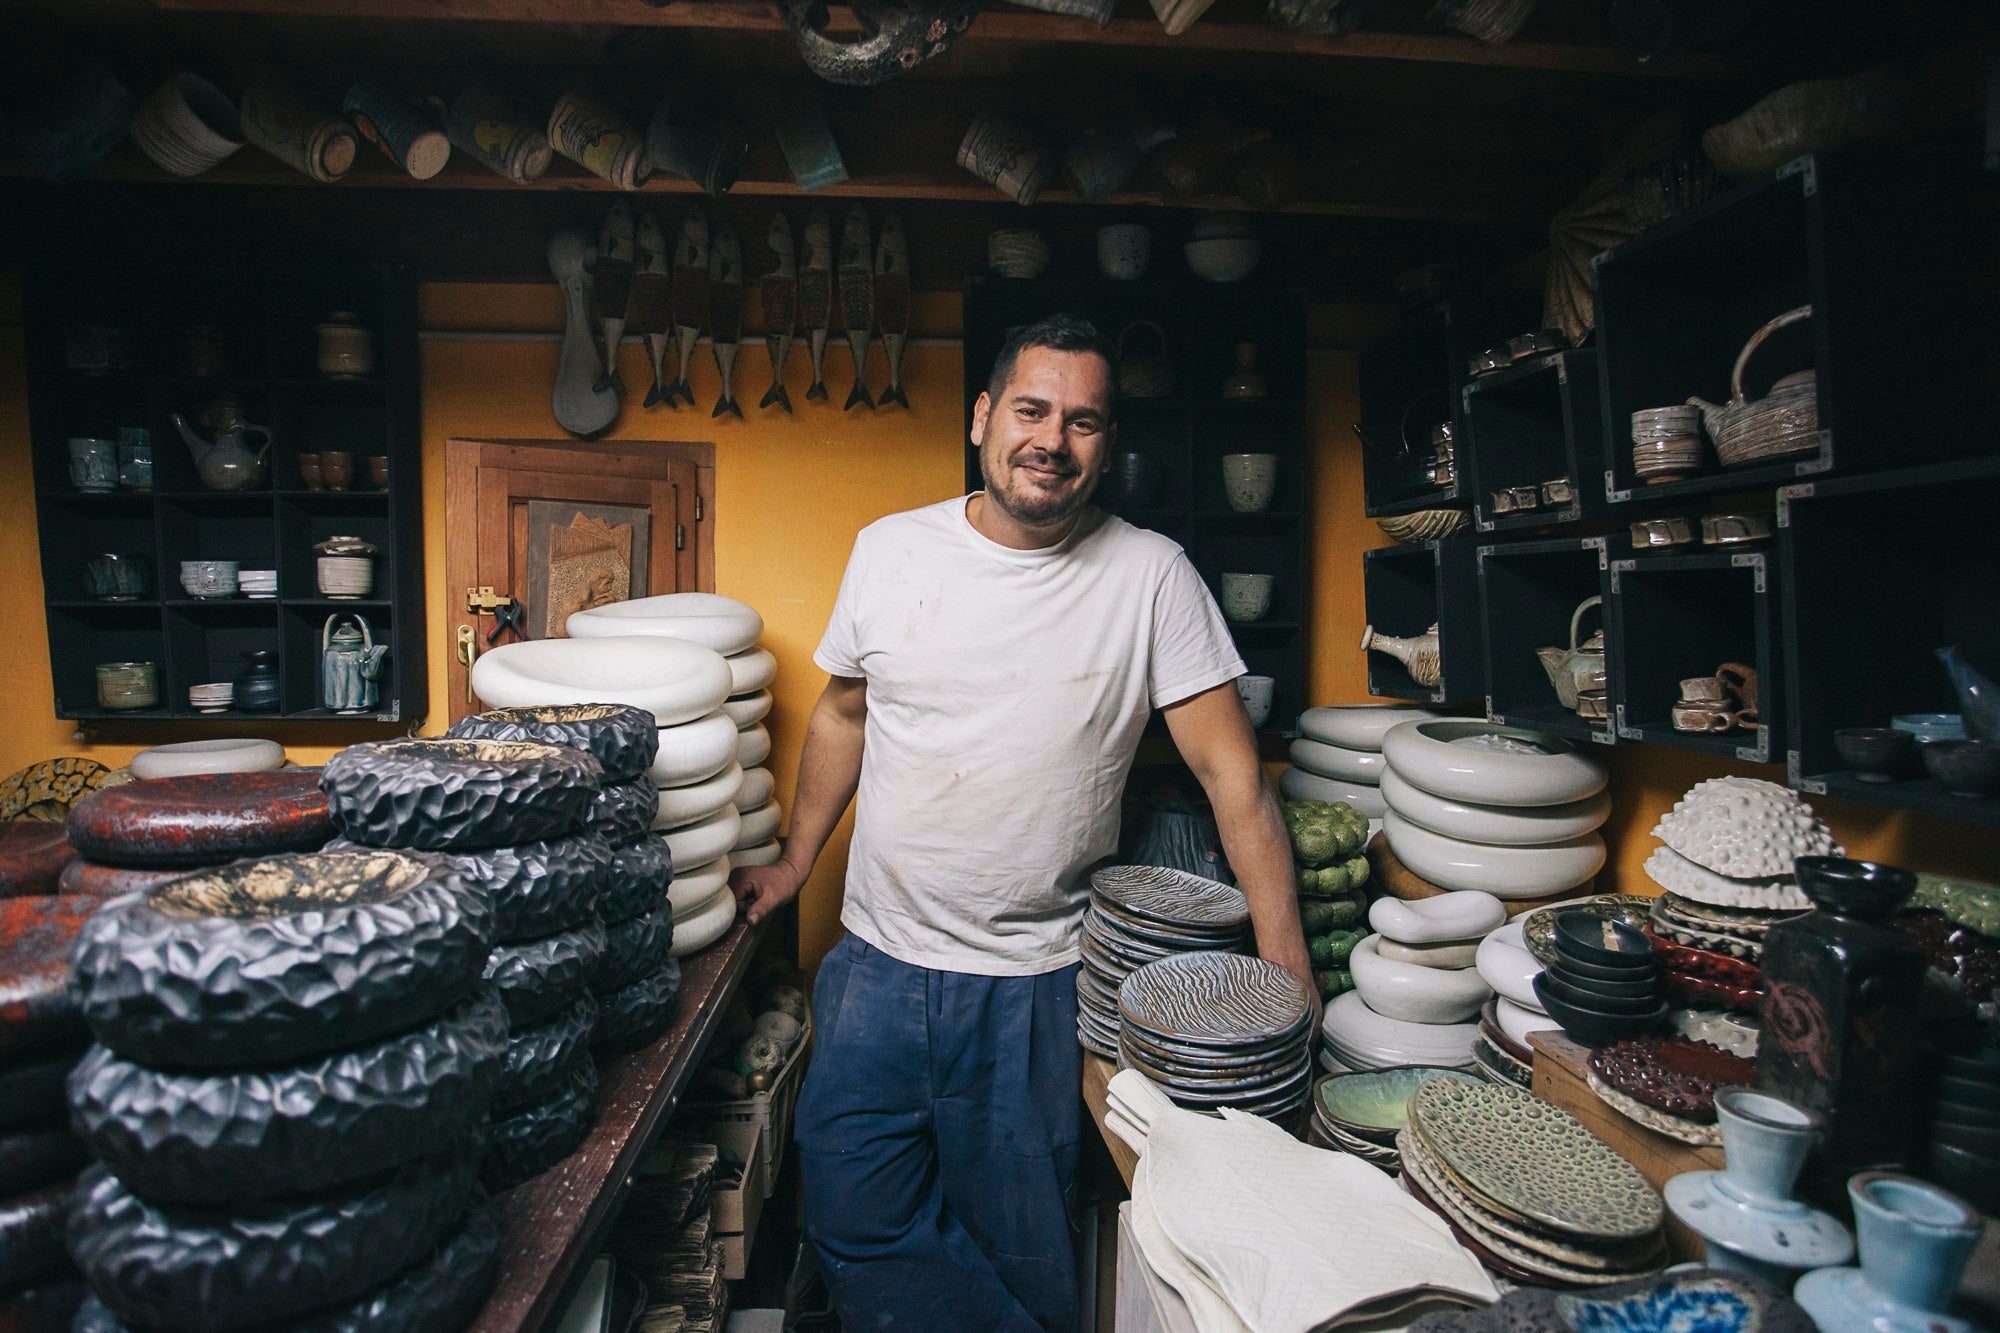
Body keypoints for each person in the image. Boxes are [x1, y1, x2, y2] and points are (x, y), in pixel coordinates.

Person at [730, 314, 1313, 1332]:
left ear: (1107, 442)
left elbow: (1235, 779)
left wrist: (1283, 968)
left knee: (1025, 1249)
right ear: (981, 416)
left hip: (1037, 986)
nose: (1052, 439)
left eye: (1083, 421)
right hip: (874, 968)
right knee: (849, 1217)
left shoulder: (1151, 575)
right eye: (1033, 410)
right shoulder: (889, 550)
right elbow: (840, 712)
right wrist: (791, 860)